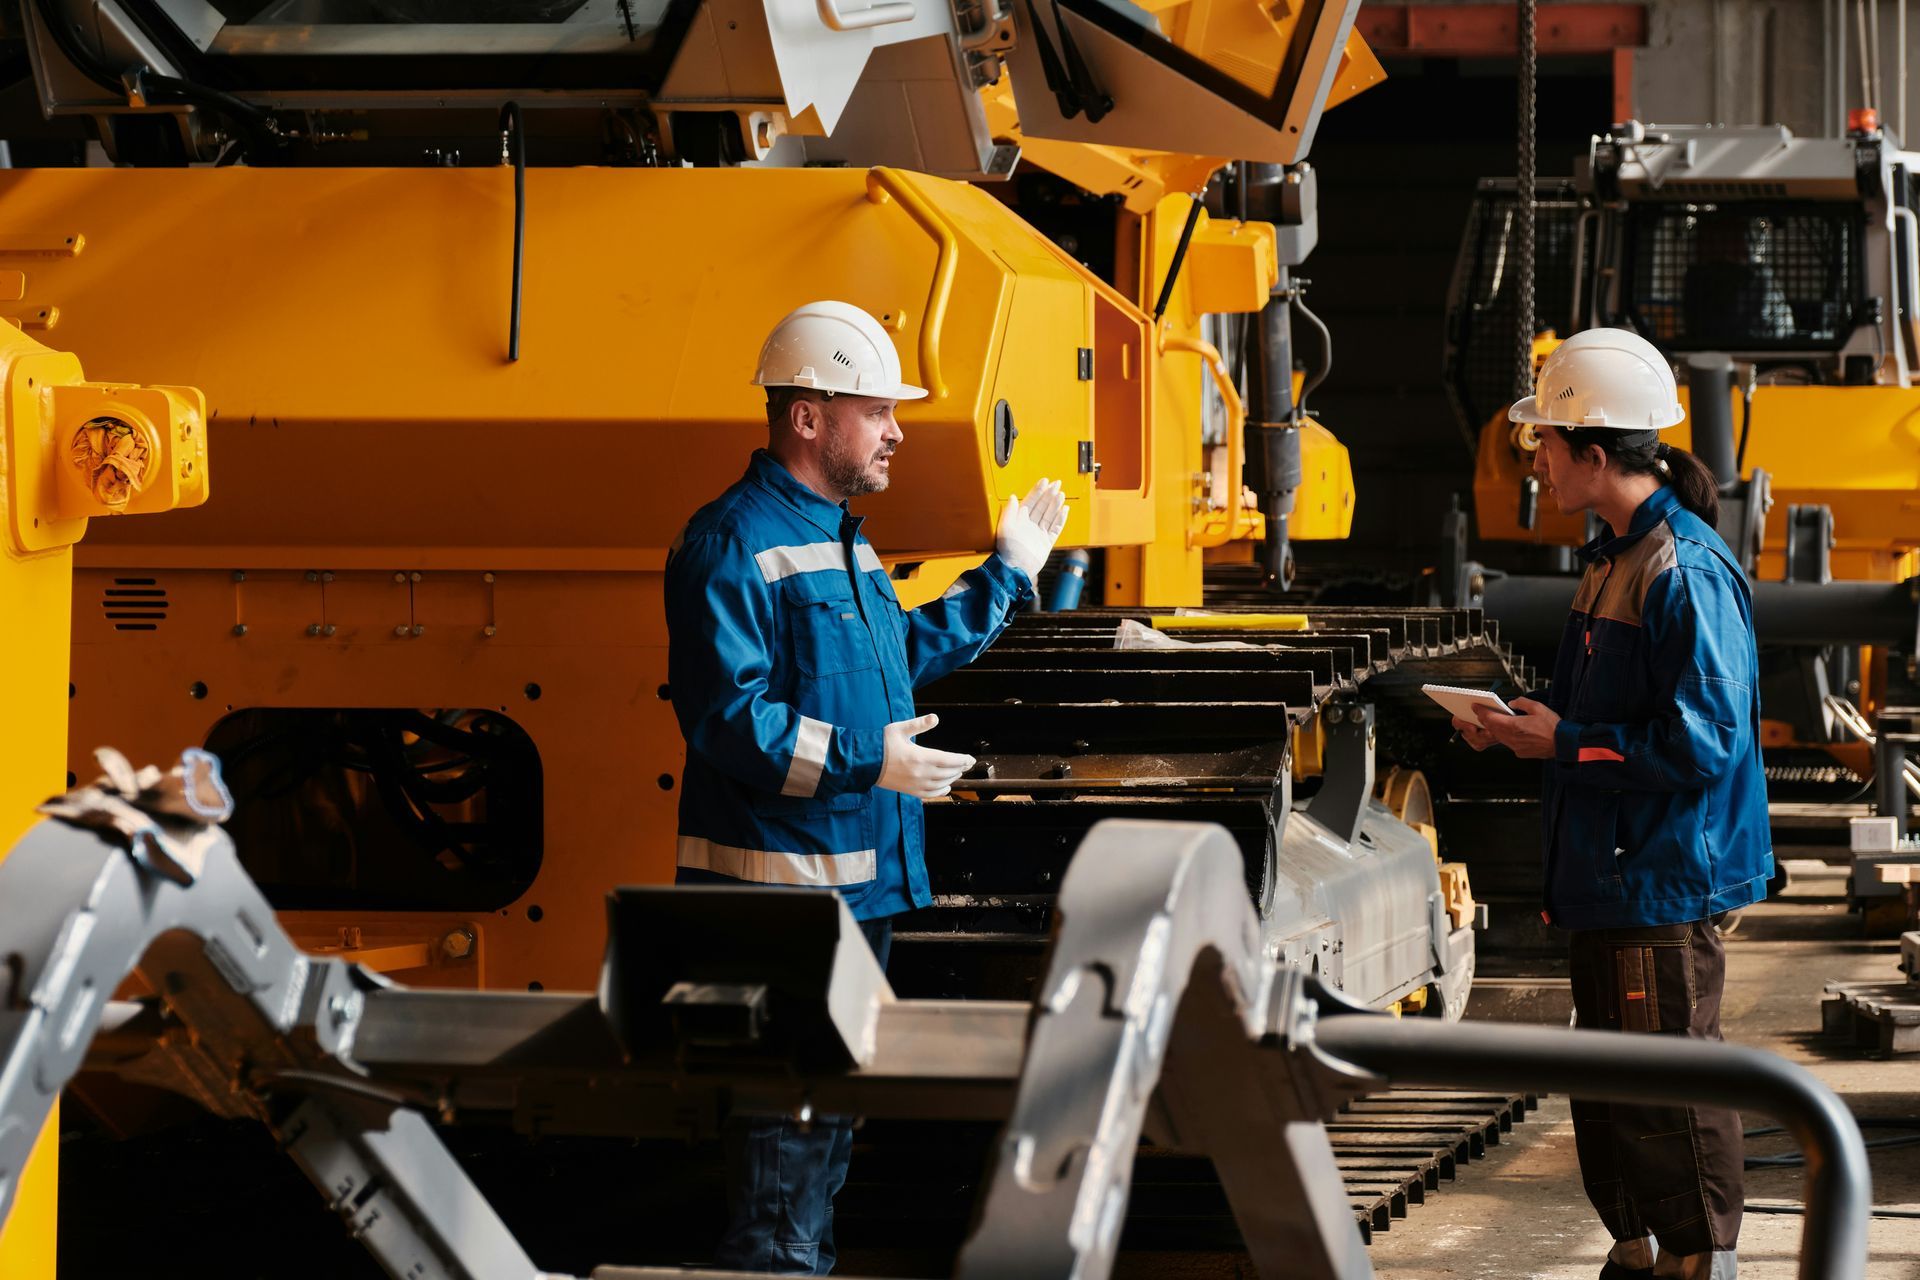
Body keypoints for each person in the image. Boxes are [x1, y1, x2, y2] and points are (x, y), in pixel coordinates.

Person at [664, 299, 1068, 1273]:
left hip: (854, 892)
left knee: (825, 1133)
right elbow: (727, 719)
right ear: (809, 416)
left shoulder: (843, 543)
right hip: (782, 902)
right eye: (877, 409)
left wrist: (1005, 576)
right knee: (784, 1145)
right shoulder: (732, 543)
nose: (896, 430)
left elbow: (903, 657)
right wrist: (867, 761)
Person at [1458, 327, 1772, 1280]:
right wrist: (1528, 725)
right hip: (1610, 871)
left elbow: (1702, 741)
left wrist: (1555, 741)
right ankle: (1639, 1253)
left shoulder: (1682, 569)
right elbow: (1609, 715)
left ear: (1596, 454)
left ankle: (1699, 1260)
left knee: (1666, 1089)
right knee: (1610, 1085)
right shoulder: (1612, 558)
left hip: (1661, 879)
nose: (1536, 459)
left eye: (1546, 443)